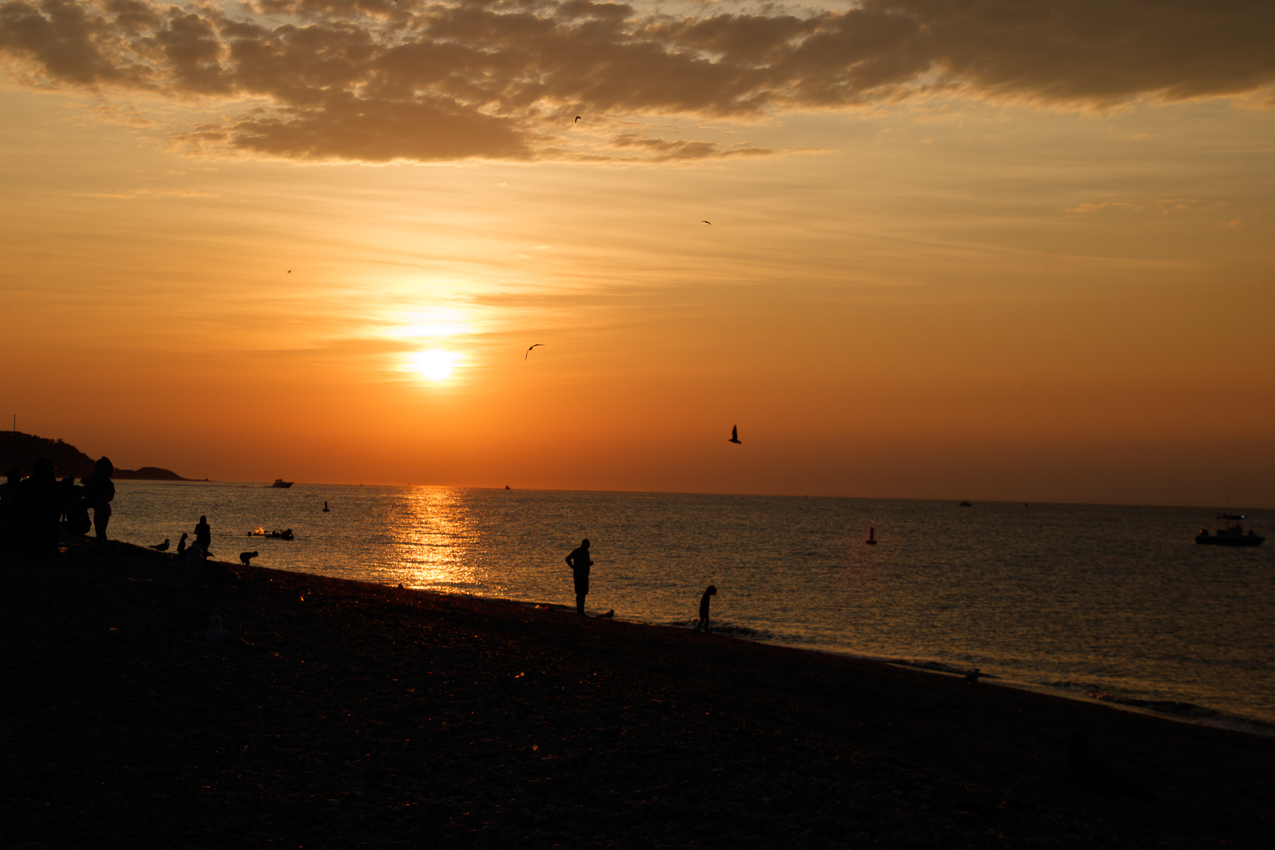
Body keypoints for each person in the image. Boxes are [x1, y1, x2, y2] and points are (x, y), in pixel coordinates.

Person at [83, 457, 115, 543]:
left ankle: (101, 547)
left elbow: (108, 496)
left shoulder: (103, 482)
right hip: (103, 508)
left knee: (100, 531)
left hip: (103, 508)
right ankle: (101, 547)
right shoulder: (104, 482)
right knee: (100, 531)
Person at [564, 539, 593, 616]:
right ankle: (579, 611)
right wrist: (572, 567)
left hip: (585, 575)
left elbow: (585, 563)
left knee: (583, 593)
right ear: (583, 544)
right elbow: (567, 559)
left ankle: (581, 611)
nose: (588, 547)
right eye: (587, 545)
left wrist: (589, 564)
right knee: (579, 593)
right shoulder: (577, 551)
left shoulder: (586, 552)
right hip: (579, 575)